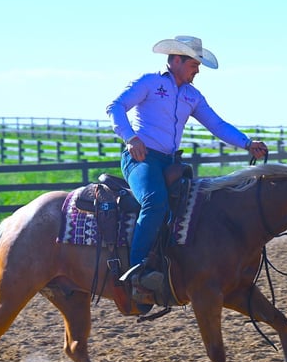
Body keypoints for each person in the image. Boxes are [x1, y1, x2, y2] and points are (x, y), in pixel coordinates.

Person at [106, 35, 268, 305]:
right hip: (141, 158)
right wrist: (130, 138)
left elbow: (216, 124)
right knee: (154, 201)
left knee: (196, 206)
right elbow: (116, 106)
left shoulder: (192, 96)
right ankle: (135, 273)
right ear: (177, 60)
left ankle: (172, 269)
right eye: (194, 63)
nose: (198, 70)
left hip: (170, 163)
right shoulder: (150, 82)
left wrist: (247, 143)